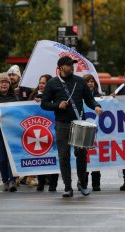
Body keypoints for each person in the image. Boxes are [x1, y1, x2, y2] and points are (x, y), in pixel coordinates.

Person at [41, 56, 103, 197]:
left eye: (72, 64)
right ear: (61, 67)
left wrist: (97, 106)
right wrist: (57, 105)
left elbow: (89, 99)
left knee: (81, 155)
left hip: (79, 124)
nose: (72, 67)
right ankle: (68, 187)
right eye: (69, 65)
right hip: (62, 124)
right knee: (64, 156)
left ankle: (82, 183)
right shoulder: (52, 83)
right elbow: (44, 103)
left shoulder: (80, 82)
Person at [28, 74, 60, 192]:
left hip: (53, 131)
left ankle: (53, 184)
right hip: (39, 133)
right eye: (40, 82)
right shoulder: (33, 96)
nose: (41, 85)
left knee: (54, 157)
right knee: (40, 156)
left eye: (44, 83)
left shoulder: (56, 97)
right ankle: (41, 182)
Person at [81, 73, 102, 191]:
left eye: (92, 81)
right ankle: (83, 181)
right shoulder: (78, 97)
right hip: (84, 130)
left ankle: (96, 183)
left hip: (96, 133)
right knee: (84, 157)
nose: (90, 83)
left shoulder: (99, 97)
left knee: (95, 157)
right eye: (87, 81)